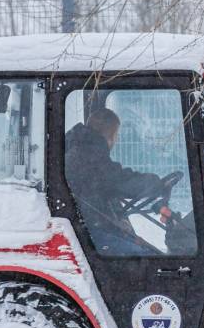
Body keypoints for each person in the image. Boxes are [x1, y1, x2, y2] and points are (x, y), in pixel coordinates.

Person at [65, 107, 166, 254]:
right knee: (145, 258)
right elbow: (121, 181)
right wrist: (156, 183)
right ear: (111, 136)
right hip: (89, 232)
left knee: (145, 249)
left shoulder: (83, 149)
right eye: (116, 135)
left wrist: (118, 220)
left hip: (90, 226)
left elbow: (105, 188)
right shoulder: (88, 155)